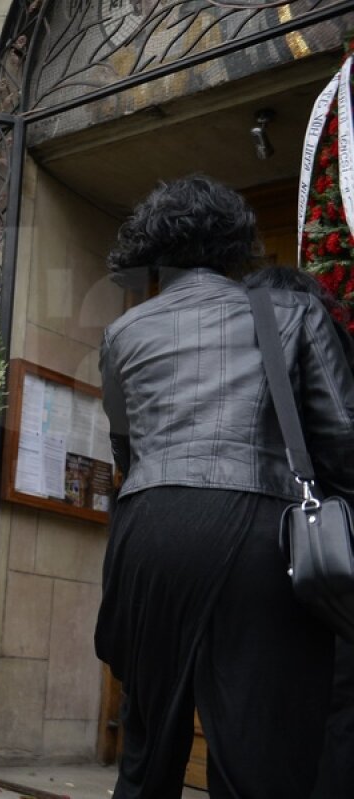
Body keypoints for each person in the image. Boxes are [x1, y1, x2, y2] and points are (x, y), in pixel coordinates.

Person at [94, 176, 354, 798]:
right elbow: (344, 436)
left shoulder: (124, 332)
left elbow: (125, 449)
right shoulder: (290, 312)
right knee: (256, 751)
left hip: (147, 530)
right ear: (236, 241)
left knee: (147, 746)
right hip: (259, 532)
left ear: (154, 246)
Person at [243, 264, 354, 799]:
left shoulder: (231, 354)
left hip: (245, 552)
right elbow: (346, 450)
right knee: (335, 716)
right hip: (323, 560)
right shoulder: (322, 353)